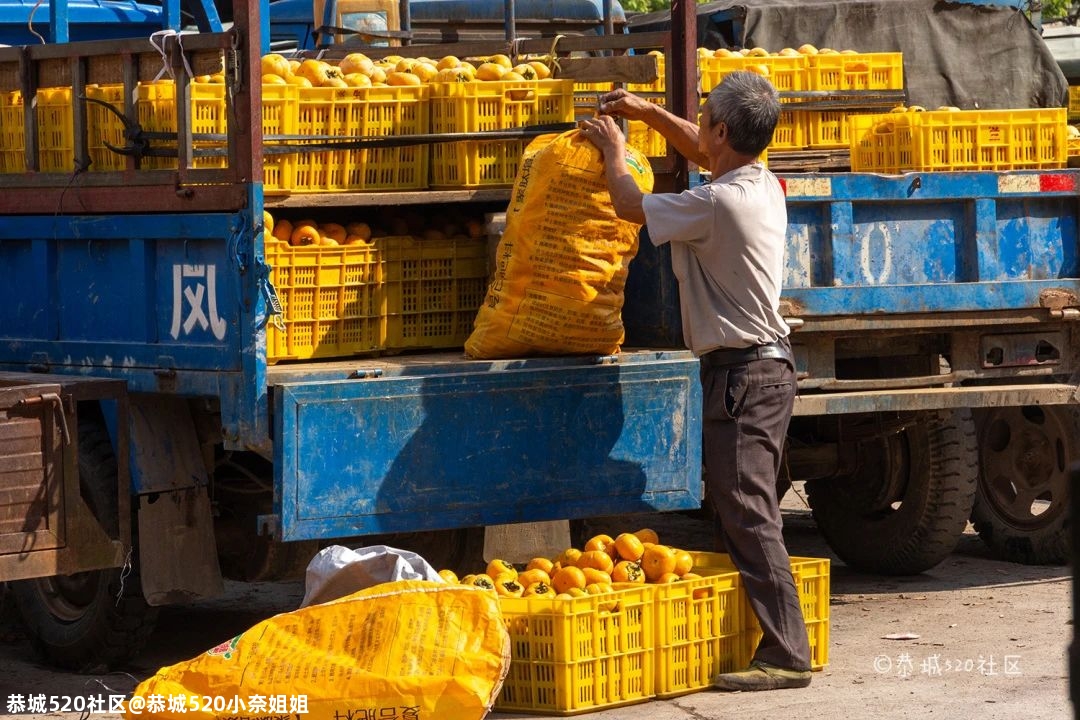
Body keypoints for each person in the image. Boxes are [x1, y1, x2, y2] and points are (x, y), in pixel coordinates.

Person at [577, 70, 811, 692]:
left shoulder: (717, 203)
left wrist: (614, 148)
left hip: (747, 375)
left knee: (748, 511)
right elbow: (700, 147)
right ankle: (770, 635)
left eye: (705, 116)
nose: (700, 127)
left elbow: (629, 204)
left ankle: (788, 654)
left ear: (725, 130)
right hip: (764, 369)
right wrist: (644, 110)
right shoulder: (759, 183)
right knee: (744, 508)